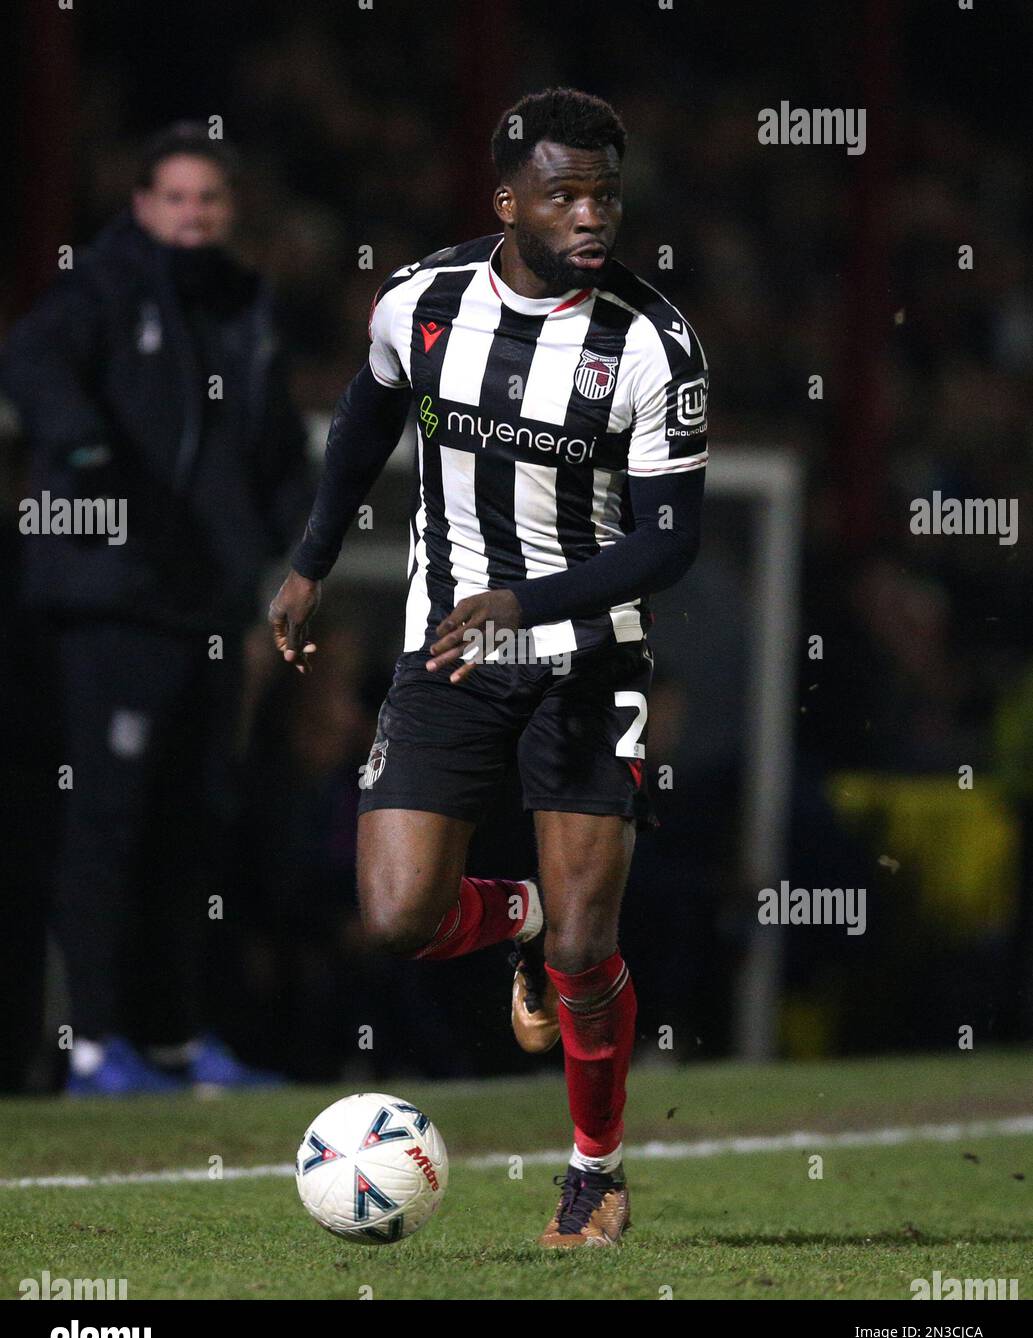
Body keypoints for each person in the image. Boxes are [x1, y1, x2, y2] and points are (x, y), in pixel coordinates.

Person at [269, 89, 707, 1245]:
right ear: (506, 198)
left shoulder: (652, 343)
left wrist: (527, 600)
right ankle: (510, 913)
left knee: (586, 945)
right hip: (448, 650)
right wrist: (312, 561)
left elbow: (670, 539)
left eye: (606, 192)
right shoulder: (422, 304)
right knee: (397, 912)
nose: (590, 214)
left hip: (585, 657)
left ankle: (594, 1171)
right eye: (563, 193)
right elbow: (366, 417)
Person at [4, 122, 312, 1094]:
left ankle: (173, 1039)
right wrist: (86, 453)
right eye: (175, 197)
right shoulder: (102, 288)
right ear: (141, 205)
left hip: (206, 603)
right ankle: (92, 1044)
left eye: (208, 199)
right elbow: (32, 366)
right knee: (106, 821)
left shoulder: (244, 305)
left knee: (191, 824)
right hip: (115, 602)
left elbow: (272, 441)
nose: (193, 215)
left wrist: (292, 530)